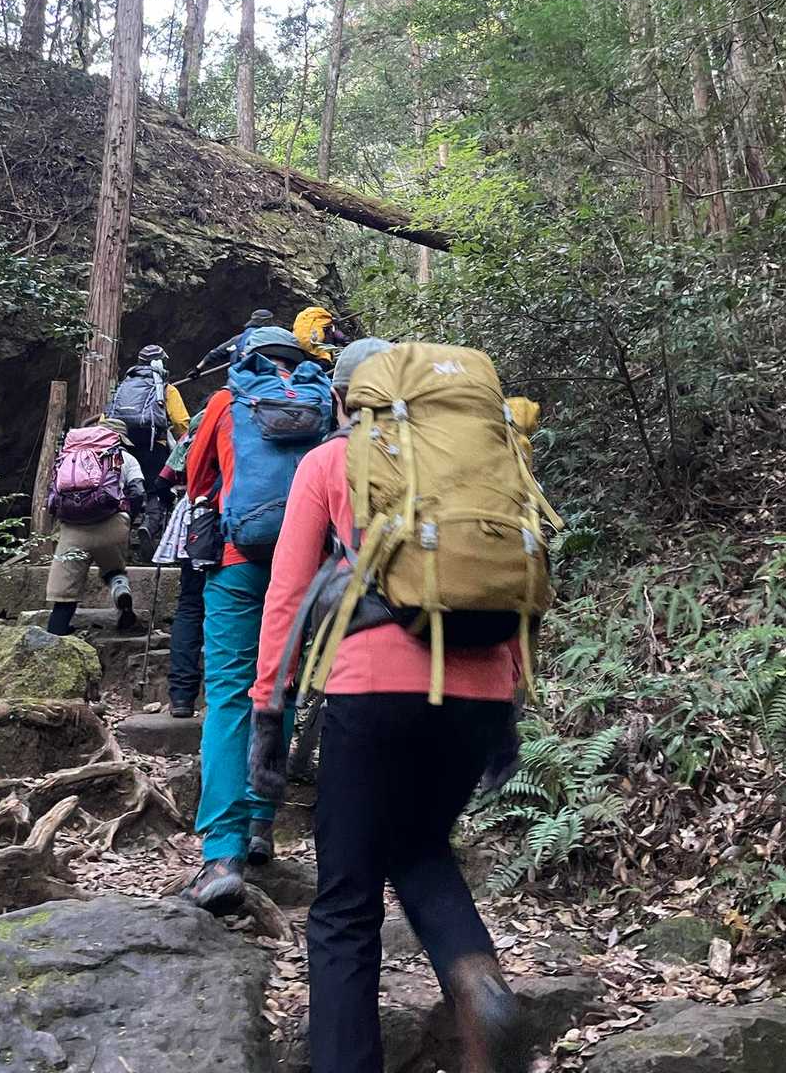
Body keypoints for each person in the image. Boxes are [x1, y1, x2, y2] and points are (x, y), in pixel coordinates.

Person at [247, 338, 528, 1073]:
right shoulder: (471, 464)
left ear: (343, 399)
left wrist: (269, 709)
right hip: (480, 689)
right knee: (419, 847)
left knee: (345, 901)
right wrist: (509, 703)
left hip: (372, 686)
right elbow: (507, 578)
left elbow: (287, 596)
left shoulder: (328, 462)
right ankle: (479, 982)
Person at [180, 325, 330, 911]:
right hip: (306, 566)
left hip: (239, 562)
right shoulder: (324, 401)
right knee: (280, 687)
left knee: (227, 695)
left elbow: (196, 480)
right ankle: (263, 822)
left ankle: (223, 853)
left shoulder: (226, 401)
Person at [45, 416, 145, 636]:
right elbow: (138, 492)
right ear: (120, 438)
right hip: (111, 523)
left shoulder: (69, 455)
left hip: (72, 528)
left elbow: (54, 492)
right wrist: (128, 516)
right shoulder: (126, 458)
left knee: (65, 592)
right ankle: (121, 594)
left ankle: (56, 634)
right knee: (114, 570)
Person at [108, 344, 189, 553]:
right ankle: (149, 526)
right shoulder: (165, 388)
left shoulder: (124, 386)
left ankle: (121, 535)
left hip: (125, 448)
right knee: (157, 491)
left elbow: (107, 417)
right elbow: (180, 422)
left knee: (128, 491)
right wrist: (185, 446)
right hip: (155, 448)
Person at [153, 411, 206, 718]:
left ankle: (182, 697)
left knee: (190, 606)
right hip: (235, 521)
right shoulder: (248, 428)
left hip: (194, 522)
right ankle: (224, 697)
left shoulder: (192, 436)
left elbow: (163, 480)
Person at [185, 308, 274, 382]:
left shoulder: (238, 339)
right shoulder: (275, 338)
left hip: (239, 380)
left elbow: (214, 353)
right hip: (267, 379)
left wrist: (197, 369)